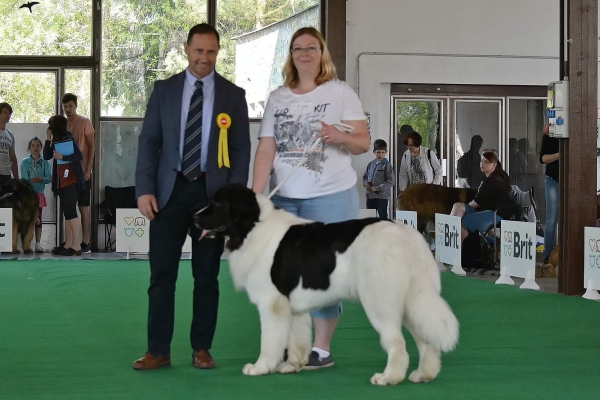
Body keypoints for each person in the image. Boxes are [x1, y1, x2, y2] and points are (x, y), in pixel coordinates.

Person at [133, 23, 250, 371]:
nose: (204, 58)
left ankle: (202, 348)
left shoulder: (234, 95)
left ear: (218, 52)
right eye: (198, 51)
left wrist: (228, 206)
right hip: (168, 195)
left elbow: (241, 152)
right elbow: (149, 143)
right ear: (186, 49)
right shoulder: (164, 90)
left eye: (211, 51)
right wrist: (144, 190)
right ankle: (158, 350)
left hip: (210, 197)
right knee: (161, 277)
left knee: (207, 277)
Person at [252, 26, 370, 369]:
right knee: (284, 275)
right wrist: (256, 193)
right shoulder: (278, 97)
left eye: (311, 48)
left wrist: (337, 136)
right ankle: (293, 343)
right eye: (297, 48)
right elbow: (267, 147)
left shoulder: (340, 92)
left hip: (331, 197)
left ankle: (321, 348)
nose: (304, 53)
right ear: (291, 56)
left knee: (324, 273)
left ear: (322, 54)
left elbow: (362, 141)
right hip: (285, 200)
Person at [43, 115, 86, 256]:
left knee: (71, 210)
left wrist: (63, 158)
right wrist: (48, 139)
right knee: (67, 211)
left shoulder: (68, 139)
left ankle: (76, 245)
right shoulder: (55, 140)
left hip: (71, 179)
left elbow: (79, 156)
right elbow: (46, 156)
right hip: (61, 180)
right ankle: (68, 243)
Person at [449, 149, 512, 243]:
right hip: (492, 212)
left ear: (494, 165)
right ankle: (450, 229)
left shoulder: (491, 181)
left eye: (486, 162)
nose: (482, 164)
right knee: (457, 206)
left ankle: (468, 247)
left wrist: (465, 211)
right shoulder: (499, 176)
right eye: (481, 161)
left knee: (459, 221)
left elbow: (476, 203)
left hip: (495, 215)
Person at [62, 93, 95, 254]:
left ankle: (85, 242)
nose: (68, 109)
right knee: (68, 207)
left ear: (75, 106)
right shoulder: (63, 125)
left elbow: (91, 147)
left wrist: (88, 169)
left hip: (82, 172)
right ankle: (70, 242)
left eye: (70, 106)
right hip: (67, 173)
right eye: (65, 107)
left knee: (83, 206)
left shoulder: (85, 122)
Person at [21, 137, 51, 253]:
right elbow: (24, 179)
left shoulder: (45, 162)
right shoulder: (24, 162)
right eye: (33, 145)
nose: (35, 148)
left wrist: (40, 179)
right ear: (29, 148)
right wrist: (31, 181)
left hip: (39, 195)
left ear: (41, 148)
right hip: (27, 195)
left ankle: (38, 244)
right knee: (27, 219)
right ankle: (26, 244)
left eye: (38, 145)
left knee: (38, 219)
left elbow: (48, 178)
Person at [538, 124, 559, 278]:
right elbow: (543, 158)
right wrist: (560, 155)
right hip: (553, 179)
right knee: (551, 220)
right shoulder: (550, 133)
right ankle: (547, 258)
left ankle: (563, 256)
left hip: (571, 180)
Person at [363, 139, 395, 219]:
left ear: (386, 152)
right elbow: (365, 177)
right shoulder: (370, 164)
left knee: (383, 219)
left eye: (382, 152)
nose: (380, 154)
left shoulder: (387, 165)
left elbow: (391, 181)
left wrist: (378, 188)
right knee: (370, 219)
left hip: (381, 197)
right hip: (370, 196)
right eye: (378, 152)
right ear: (374, 152)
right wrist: (365, 183)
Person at [0, 102, 19, 185]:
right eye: (5, 112)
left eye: (9, 113)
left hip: (6, 174)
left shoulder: (10, 135)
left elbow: (13, 158)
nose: (8, 115)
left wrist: (16, 179)